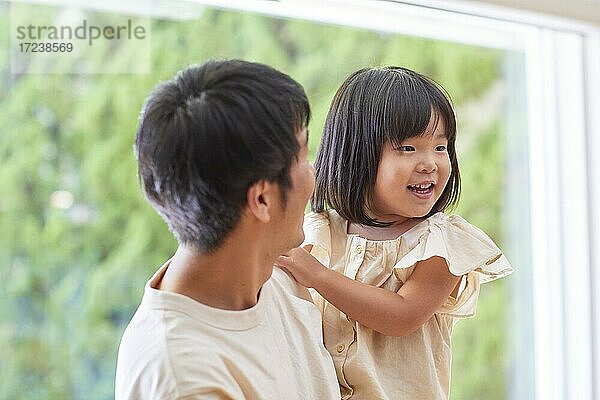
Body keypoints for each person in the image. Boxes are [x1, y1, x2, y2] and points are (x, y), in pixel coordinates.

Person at [276, 66, 513, 400]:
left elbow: (403, 315)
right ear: (356, 153)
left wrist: (319, 277)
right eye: (408, 148)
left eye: (441, 147)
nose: (430, 163)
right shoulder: (320, 230)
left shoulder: (440, 244)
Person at [115, 59, 340, 400]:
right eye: (303, 157)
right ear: (262, 198)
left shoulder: (279, 277)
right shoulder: (185, 380)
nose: (314, 176)